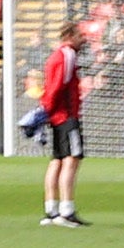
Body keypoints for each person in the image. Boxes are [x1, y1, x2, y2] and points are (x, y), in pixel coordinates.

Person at [36, 16, 92, 226]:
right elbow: (59, 85)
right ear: (69, 37)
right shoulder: (67, 54)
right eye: (79, 36)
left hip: (56, 115)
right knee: (71, 159)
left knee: (57, 160)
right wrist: (49, 107)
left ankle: (51, 209)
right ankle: (66, 210)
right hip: (66, 115)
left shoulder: (54, 56)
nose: (82, 40)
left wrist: (46, 111)